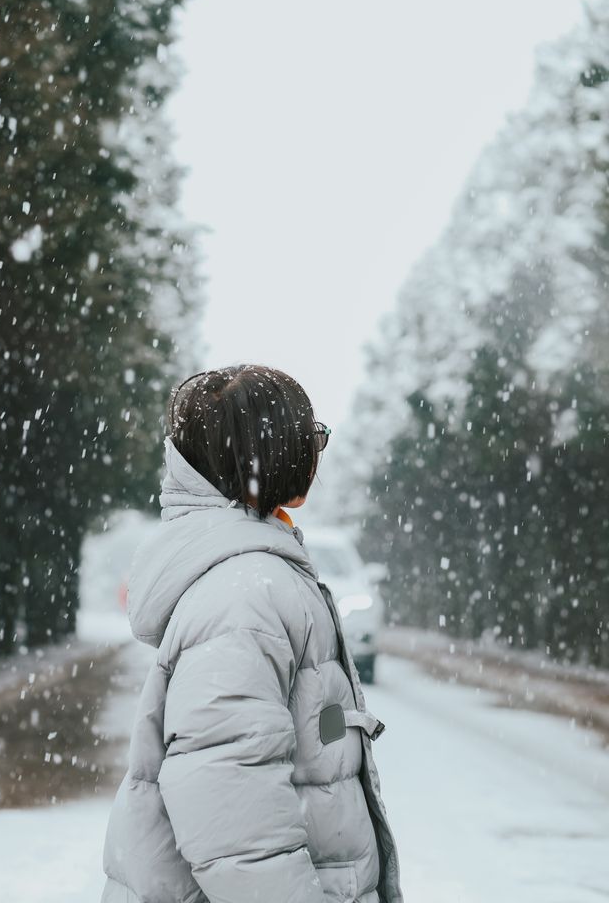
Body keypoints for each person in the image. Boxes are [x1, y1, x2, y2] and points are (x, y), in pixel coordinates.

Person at [100, 363, 404, 903]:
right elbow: (232, 808)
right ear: (270, 454)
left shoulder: (254, 572)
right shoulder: (246, 595)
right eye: (312, 437)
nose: (318, 451)